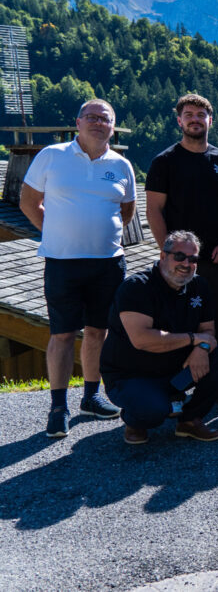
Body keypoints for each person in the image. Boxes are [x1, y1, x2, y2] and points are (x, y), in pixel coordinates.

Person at [20, 99, 135, 437]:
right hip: (62, 262)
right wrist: (54, 231)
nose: (98, 123)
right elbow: (28, 203)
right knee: (62, 334)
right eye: (92, 117)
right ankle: (58, 408)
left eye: (105, 119)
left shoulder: (122, 165)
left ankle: (90, 397)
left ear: (112, 126)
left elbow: (126, 212)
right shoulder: (51, 156)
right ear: (78, 122)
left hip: (108, 263)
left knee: (99, 331)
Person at [100, 231, 218, 444]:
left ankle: (190, 420)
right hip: (131, 375)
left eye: (193, 259)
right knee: (154, 412)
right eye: (179, 256)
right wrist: (193, 339)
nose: (186, 263)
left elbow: (208, 332)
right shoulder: (137, 287)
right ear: (163, 256)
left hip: (175, 372)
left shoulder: (200, 286)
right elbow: (142, 339)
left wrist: (202, 348)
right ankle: (134, 420)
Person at [146, 94, 218, 374]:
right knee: (179, 323)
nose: (195, 119)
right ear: (179, 120)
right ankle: (179, 389)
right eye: (188, 114)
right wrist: (168, 253)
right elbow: (154, 210)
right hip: (180, 260)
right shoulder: (164, 162)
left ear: (210, 120)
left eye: (201, 115)